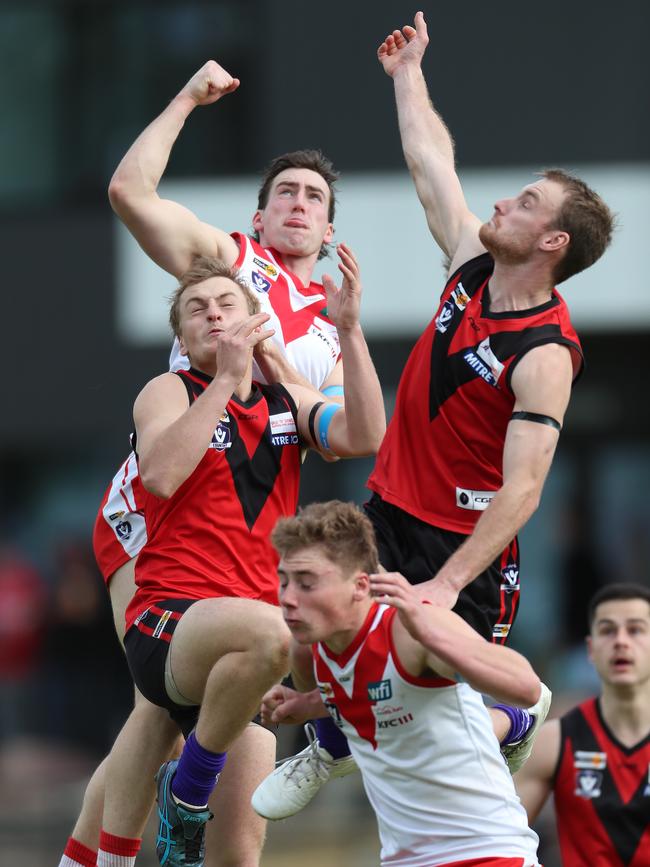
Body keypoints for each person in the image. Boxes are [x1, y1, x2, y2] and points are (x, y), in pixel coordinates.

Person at [250, 9, 616, 819]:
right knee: (307, 590)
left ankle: (517, 719)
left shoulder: (547, 353)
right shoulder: (472, 262)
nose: (502, 204)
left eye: (524, 204)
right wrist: (408, 74)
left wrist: (445, 586)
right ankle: (334, 737)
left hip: (464, 547)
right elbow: (431, 167)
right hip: (388, 507)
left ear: (552, 241)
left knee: (438, 708)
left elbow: (523, 489)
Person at [59, 58, 354, 867]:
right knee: (155, 705)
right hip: (157, 514)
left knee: (243, 816)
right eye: (285, 193)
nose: (299, 204)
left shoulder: (330, 332)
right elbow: (130, 193)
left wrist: (319, 367)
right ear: (260, 217)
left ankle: (158, 832)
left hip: (249, 543)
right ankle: (104, 858)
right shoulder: (227, 267)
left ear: (329, 232)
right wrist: (189, 98)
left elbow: (339, 434)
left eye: (315, 198)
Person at [126, 252, 382, 867]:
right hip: (171, 622)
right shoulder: (169, 390)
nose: (214, 315)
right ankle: (186, 793)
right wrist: (221, 381)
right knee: (277, 626)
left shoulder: (284, 399)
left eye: (226, 305)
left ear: (256, 319)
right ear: (182, 338)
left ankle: (318, 740)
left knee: (238, 856)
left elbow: (366, 436)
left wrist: (349, 329)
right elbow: (159, 475)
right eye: (197, 310)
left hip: (254, 650)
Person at [255, 500, 545, 867]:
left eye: (307, 584)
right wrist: (311, 702)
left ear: (360, 586)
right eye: (284, 582)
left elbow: (526, 687)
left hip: (487, 853)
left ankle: (513, 721)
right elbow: (369, 687)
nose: (288, 599)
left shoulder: (410, 631)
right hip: (403, 859)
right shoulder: (309, 648)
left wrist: (430, 631)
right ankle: (508, 724)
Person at [514, 583, 650, 867]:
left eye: (636, 629)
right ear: (591, 649)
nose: (621, 641)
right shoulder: (554, 740)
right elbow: (497, 836)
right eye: (607, 630)